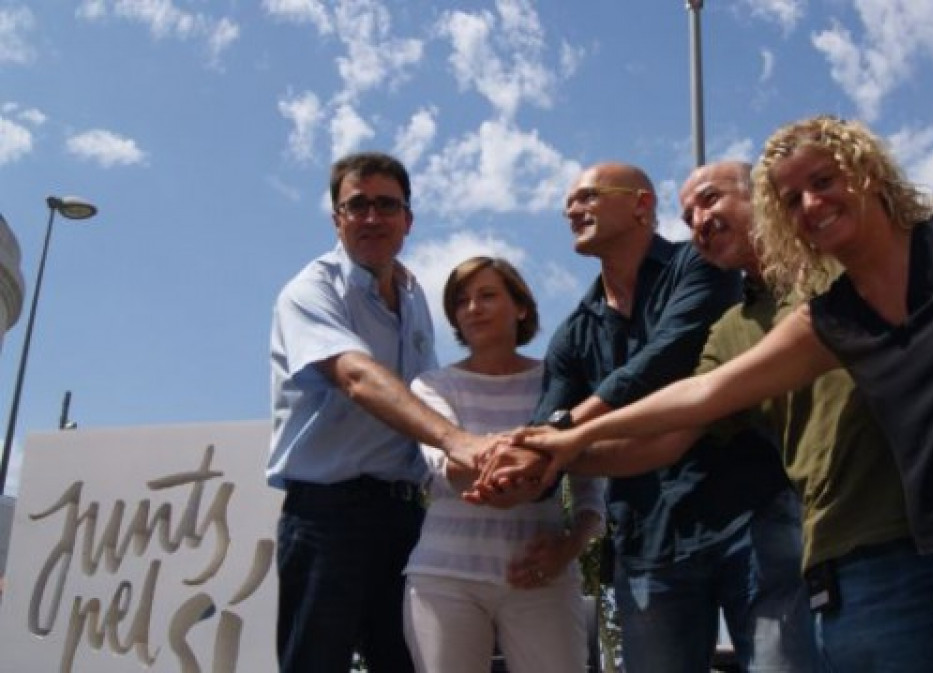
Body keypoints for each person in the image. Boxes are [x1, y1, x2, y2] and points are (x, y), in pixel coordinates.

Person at [516, 117, 933, 672]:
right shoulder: (828, 318)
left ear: (868, 172)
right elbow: (702, 395)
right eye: (792, 199)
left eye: (823, 182)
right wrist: (570, 442)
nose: (811, 204)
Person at [555, 159, 933, 672]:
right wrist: (558, 451)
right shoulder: (731, 330)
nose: (699, 221)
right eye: (688, 215)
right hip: (835, 548)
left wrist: (569, 433)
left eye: (710, 199)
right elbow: (681, 419)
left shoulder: (842, 264)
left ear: (763, 196)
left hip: (920, 528)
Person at [474, 161, 751, 672]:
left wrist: (558, 437)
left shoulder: (702, 265)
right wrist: (517, 474)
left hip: (745, 518)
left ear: (641, 204)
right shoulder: (572, 335)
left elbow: (664, 359)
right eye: (568, 203)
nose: (572, 210)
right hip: (648, 542)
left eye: (588, 196)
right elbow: (547, 426)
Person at [268, 151, 496, 673]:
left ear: (407, 220)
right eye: (357, 205)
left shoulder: (414, 299)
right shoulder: (310, 292)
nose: (372, 217)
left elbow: (429, 394)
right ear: (337, 219)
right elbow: (356, 376)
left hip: (405, 518)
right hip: (326, 517)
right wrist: (457, 441)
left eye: (387, 205)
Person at [402, 256, 605, 673]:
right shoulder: (432, 385)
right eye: (461, 301)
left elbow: (591, 489)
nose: (473, 308)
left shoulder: (560, 383)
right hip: (445, 578)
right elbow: (445, 466)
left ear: (522, 307)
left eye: (487, 295)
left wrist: (568, 549)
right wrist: (527, 461)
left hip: (543, 575)